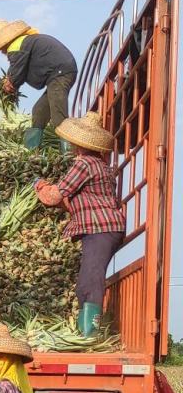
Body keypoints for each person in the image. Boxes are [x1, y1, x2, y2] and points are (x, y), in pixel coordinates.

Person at [34, 111, 125, 338]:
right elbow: (73, 200)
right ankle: (86, 330)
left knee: (91, 280)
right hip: (105, 228)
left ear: (78, 143)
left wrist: (40, 186)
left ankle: (90, 334)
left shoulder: (84, 164)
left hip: (101, 229)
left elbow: (54, 197)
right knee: (86, 280)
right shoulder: (100, 165)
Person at [0, 20, 77, 149]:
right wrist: (11, 80)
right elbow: (19, 69)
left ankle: (69, 154)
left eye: (1, 48)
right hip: (57, 75)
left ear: (5, 41)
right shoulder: (25, 41)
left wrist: (9, 84)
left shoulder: (16, 45)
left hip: (60, 73)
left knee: (58, 115)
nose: (2, 52)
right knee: (39, 111)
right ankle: (32, 152)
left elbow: (17, 71)